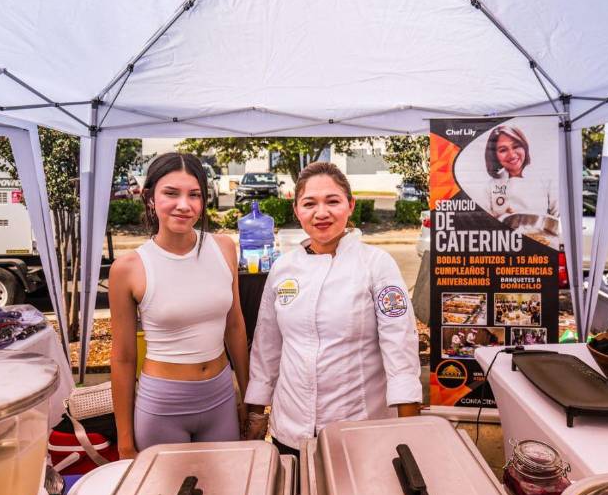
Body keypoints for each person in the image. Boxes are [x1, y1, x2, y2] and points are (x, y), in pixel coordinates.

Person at [244, 162, 421, 457]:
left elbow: (399, 347)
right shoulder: (283, 268)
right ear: (296, 210)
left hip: (358, 428)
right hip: (291, 428)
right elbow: (267, 347)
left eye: (333, 201)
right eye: (309, 203)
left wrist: (409, 429)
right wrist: (255, 414)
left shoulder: (376, 264)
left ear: (350, 206)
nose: (321, 213)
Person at [109, 153, 249, 458]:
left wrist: (249, 398)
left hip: (221, 397)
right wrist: (124, 442)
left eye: (194, 195)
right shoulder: (128, 268)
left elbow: (235, 325)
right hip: (163, 405)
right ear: (149, 198)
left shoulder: (224, 247)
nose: (184, 205)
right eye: (171, 193)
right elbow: (122, 358)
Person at [483, 125, 558, 218]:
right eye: (503, 150)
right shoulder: (490, 186)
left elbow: (559, 219)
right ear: (494, 155)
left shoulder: (545, 178)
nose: (512, 155)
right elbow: (485, 222)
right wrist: (503, 218)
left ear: (524, 146)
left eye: (516, 146)